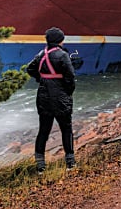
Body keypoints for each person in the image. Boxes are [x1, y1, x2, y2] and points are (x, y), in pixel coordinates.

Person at [26, 27, 76, 171]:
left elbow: (30, 69)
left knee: (43, 130)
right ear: (60, 40)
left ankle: (40, 165)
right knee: (66, 129)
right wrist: (68, 92)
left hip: (43, 97)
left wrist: (41, 79)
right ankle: (70, 163)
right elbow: (70, 77)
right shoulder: (63, 55)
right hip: (60, 98)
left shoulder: (41, 54)